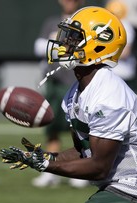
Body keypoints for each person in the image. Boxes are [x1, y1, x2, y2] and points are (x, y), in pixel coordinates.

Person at [0, 6, 137, 203]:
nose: (64, 43)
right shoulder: (75, 93)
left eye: (73, 38)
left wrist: (44, 165)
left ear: (97, 47)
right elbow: (84, 151)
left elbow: (99, 167)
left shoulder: (108, 95)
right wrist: (44, 157)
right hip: (119, 189)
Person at [33, 0, 88, 188]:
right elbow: (39, 47)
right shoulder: (52, 21)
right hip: (54, 83)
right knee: (51, 127)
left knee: (78, 128)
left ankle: (79, 170)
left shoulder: (85, 22)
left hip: (75, 82)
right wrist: (63, 44)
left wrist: (57, 45)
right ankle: (51, 171)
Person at [105, 0, 137, 83]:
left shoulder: (125, 25)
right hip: (110, 72)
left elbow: (125, 52)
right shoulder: (108, 25)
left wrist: (104, 54)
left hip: (123, 73)